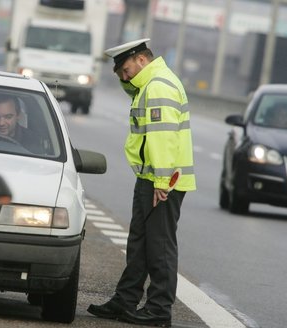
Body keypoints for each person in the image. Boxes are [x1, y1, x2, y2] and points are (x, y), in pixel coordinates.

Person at [87, 38, 196, 327]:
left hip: (163, 181)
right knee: (139, 243)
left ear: (141, 60)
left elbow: (162, 138)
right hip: (151, 177)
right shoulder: (149, 84)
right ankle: (125, 300)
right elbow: (134, 92)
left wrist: (161, 181)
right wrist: (155, 178)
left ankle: (159, 310)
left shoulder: (158, 87)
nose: (124, 77)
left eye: (125, 70)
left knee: (159, 246)